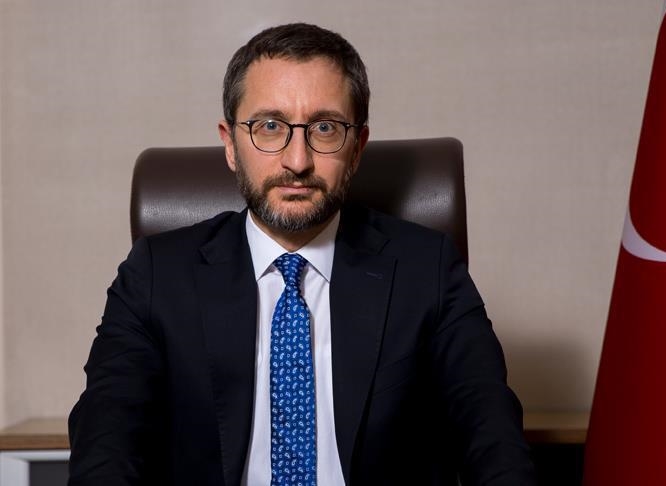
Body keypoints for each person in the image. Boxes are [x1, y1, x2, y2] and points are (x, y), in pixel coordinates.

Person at [68, 23, 536, 485]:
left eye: (325, 128)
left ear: (357, 149)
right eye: (270, 127)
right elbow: (106, 442)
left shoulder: (426, 269)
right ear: (230, 144)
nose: (297, 161)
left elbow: (491, 435)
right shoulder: (155, 275)